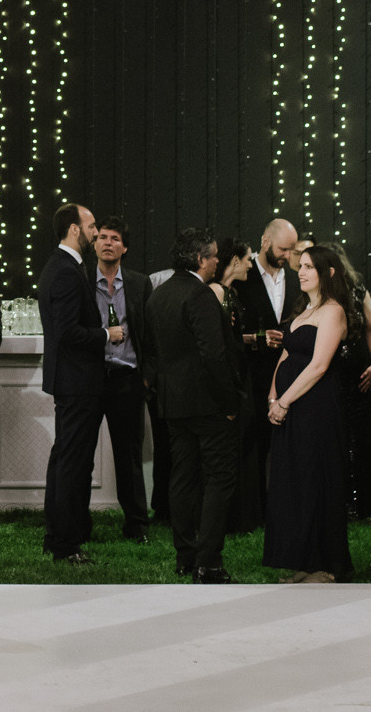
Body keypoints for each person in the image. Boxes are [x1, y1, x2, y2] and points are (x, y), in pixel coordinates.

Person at [147, 228, 238, 583]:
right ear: (200, 259)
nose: (218, 261)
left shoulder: (159, 295)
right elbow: (213, 355)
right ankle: (209, 562)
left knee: (182, 478)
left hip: (173, 403)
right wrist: (229, 401)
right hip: (208, 403)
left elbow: (154, 351)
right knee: (219, 478)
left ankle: (185, 556)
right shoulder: (200, 296)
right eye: (214, 255)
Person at [263, 241, 355, 581]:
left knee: (317, 480)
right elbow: (285, 357)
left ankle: (327, 565)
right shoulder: (301, 312)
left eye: (308, 267)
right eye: (299, 266)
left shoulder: (334, 311)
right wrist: (273, 398)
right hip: (289, 409)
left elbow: (318, 366)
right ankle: (303, 561)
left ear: (327, 273)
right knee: (295, 483)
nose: (300, 272)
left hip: (315, 408)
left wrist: (285, 401)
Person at [36, 204, 103, 563]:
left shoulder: (64, 267)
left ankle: (60, 537)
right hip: (77, 381)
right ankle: (65, 544)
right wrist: (107, 334)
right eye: (92, 226)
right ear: (75, 230)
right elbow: (67, 333)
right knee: (71, 463)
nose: (96, 233)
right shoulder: (65, 271)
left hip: (73, 380)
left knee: (66, 458)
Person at [94, 217, 156, 541]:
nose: (107, 242)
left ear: (125, 247)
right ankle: (78, 524)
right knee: (81, 456)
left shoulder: (139, 282)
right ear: (94, 244)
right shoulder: (80, 281)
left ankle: (137, 526)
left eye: (114, 238)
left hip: (128, 380)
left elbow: (151, 333)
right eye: (102, 237)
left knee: (129, 457)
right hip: (91, 380)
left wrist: (147, 377)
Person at [237, 218, 301, 529]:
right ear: (264, 241)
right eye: (282, 249)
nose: (288, 256)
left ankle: (282, 509)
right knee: (253, 445)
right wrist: (254, 339)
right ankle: (253, 512)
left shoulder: (297, 279)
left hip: (286, 372)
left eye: (291, 251)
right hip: (250, 373)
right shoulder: (241, 275)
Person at [210, 239, 258, 531]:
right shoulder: (216, 292)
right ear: (236, 261)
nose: (251, 265)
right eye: (248, 259)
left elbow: (233, 337)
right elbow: (220, 341)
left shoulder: (232, 293)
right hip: (230, 376)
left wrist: (254, 339)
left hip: (242, 371)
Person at [338, 254, 371, 519]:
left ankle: (364, 502)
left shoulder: (356, 289)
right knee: (340, 437)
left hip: (357, 370)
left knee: (362, 435)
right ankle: (345, 501)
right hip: (336, 370)